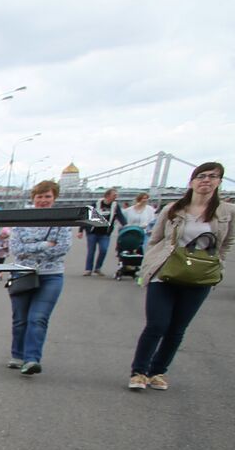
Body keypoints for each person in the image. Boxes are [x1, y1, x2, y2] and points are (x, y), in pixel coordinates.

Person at [128, 162, 232, 391]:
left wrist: (218, 265)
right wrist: (149, 264)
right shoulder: (173, 209)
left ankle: (157, 372)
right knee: (157, 324)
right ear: (192, 181)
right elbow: (155, 240)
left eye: (212, 176)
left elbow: (226, 244)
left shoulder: (227, 212)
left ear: (219, 182)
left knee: (177, 328)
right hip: (165, 272)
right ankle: (139, 372)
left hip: (200, 276)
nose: (206, 180)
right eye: (201, 176)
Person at [7, 180, 73, 376]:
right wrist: (46, 245)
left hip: (51, 276)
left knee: (38, 318)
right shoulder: (23, 219)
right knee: (20, 319)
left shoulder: (61, 220)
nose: (43, 200)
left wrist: (33, 248)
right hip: (22, 273)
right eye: (40, 196)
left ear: (54, 198)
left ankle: (32, 359)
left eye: (47, 196)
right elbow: (16, 250)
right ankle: (17, 355)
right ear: (33, 198)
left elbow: (63, 248)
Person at [85, 187, 126, 276]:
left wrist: (126, 225)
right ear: (107, 195)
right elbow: (86, 217)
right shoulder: (95, 204)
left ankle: (98, 268)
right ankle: (88, 269)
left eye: (116, 195)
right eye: (114, 195)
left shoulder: (115, 206)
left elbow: (120, 216)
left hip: (105, 233)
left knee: (104, 250)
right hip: (93, 232)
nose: (116, 196)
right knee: (91, 251)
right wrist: (81, 230)